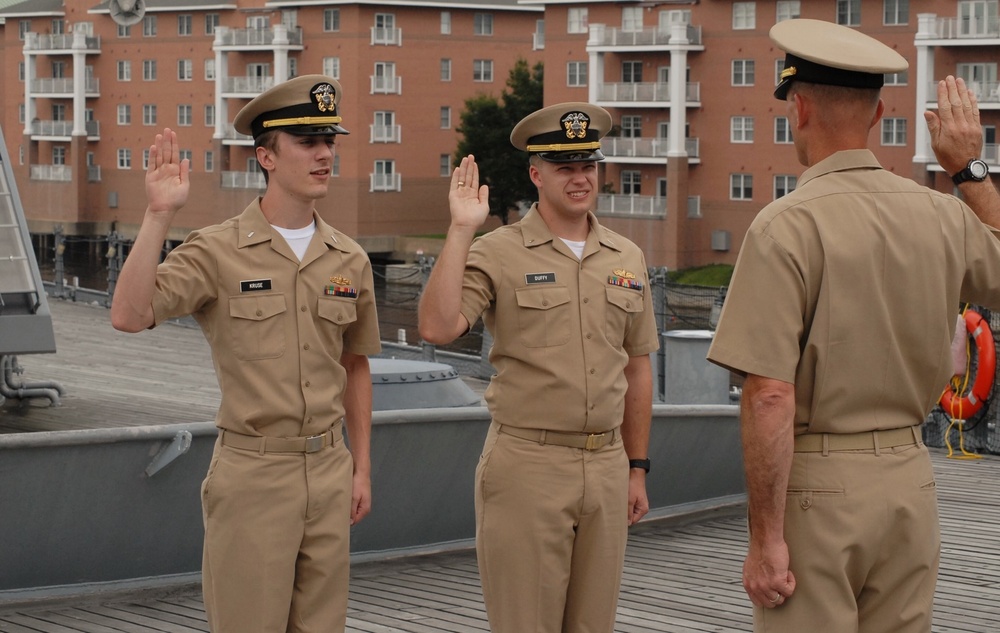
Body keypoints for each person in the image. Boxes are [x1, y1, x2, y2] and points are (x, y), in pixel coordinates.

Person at [706, 19, 1000, 633]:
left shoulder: (785, 225)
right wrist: (969, 170)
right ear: (878, 113)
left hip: (820, 489)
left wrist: (765, 539)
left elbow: (769, 397)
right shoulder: (940, 215)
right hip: (911, 482)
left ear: (800, 107)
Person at [110, 74, 381, 632]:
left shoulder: (348, 258)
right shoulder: (217, 250)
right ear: (266, 156)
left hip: (330, 471)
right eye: (308, 143)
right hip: (255, 476)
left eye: (329, 141)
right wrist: (158, 216)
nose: (325, 154)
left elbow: (355, 365)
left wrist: (362, 469)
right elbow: (129, 315)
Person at [418, 102, 659, 633]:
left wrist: (637, 467)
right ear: (537, 174)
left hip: (607, 467)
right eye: (564, 167)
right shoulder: (499, 252)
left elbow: (637, 369)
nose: (580, 179)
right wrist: (461, 231)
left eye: (588, 166)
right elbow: (437, 328)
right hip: (528, 464)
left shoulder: (627, 256)